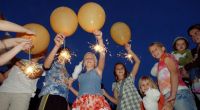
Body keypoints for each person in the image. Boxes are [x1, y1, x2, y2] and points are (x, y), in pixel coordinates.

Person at [68, 30, 111, 110]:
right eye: (86, 58)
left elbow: (102, 55)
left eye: (91, 57)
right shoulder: (80, 76)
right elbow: (79, 93)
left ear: (95, 62)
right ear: (84, 63)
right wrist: (70, 87)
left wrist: (100, 39)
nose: (89, 59)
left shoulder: (98, 70)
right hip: (82, 102)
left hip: (96, 101)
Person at [149, 42, 197, 110]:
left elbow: (174, 73)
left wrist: (173, 95)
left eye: (156, 49)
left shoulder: (167, 57)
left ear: (163, 48)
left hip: (178, 92)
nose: (154, 52)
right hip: (170, 95)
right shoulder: (160, 64)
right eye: (152, 52)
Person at [103, 44, 142, 110]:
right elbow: (117, 102)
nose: (120, 69)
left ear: (125, 70)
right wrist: (105, 94)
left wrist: (129, 50)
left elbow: (138, 62)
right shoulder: (115, 85)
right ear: (115, 72)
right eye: (117, 69)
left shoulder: (130, 78)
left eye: (122, 68)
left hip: (138, 107)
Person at [38, 34, 70, 110]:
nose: (65, 55)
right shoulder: (52, 62)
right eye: (63, 52)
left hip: (63, 101)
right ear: (58, 54)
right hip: (50, 96)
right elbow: (45, 66)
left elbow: (65, 88)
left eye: (67, 54)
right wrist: (57, 46)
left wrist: (67, 104)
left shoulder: (66, 72)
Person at [185, 24, 200, 101]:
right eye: (191, 36)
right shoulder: (192, 51)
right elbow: (186, 65)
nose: (194, 37)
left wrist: (188, 66)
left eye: (196, 33)